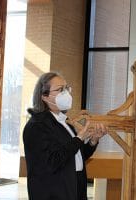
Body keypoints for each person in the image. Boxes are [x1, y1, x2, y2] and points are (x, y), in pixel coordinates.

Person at [23, 72, 107, 200]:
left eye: (66, 88)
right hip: (53, 191)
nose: (66, 93)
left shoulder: (64, 121)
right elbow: (52, 161)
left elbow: (78, 155)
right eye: (60, 89)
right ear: (44, 96)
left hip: (74, 184)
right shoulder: (37, 125)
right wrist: (79, 138)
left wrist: (93, 140)